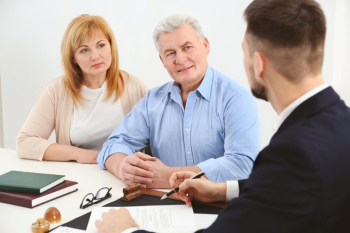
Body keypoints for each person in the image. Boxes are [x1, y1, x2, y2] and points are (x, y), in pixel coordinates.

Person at [95, 0, 350, 232]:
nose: (180, 59)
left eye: (244, 51)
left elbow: (259, 177)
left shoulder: (291, 153)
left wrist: (127, 231)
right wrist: (222, 190)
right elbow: (279, 190)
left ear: (258, 63)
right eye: (171, 53)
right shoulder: (340, 123)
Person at [97, 14, 260, 188]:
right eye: (170, 53)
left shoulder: (236, 98)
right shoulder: (152, 100)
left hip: (219, 207)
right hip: (163, 205)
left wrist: (169, 176)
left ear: (205, 46)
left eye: (187, 47)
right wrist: (122, 166)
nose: (180, 60)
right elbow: (114, 144)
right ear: (162, 61)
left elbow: (243, 165)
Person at [16, 14, 148, 163]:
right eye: (84, 50)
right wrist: (82, 155)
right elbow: (24, 142)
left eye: (101, 45)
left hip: (124, 175)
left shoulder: (135, 87)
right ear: (73, 58)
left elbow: (158, 139)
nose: (95, 56)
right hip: (79, 175)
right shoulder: (56, 91)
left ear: (111, 46)